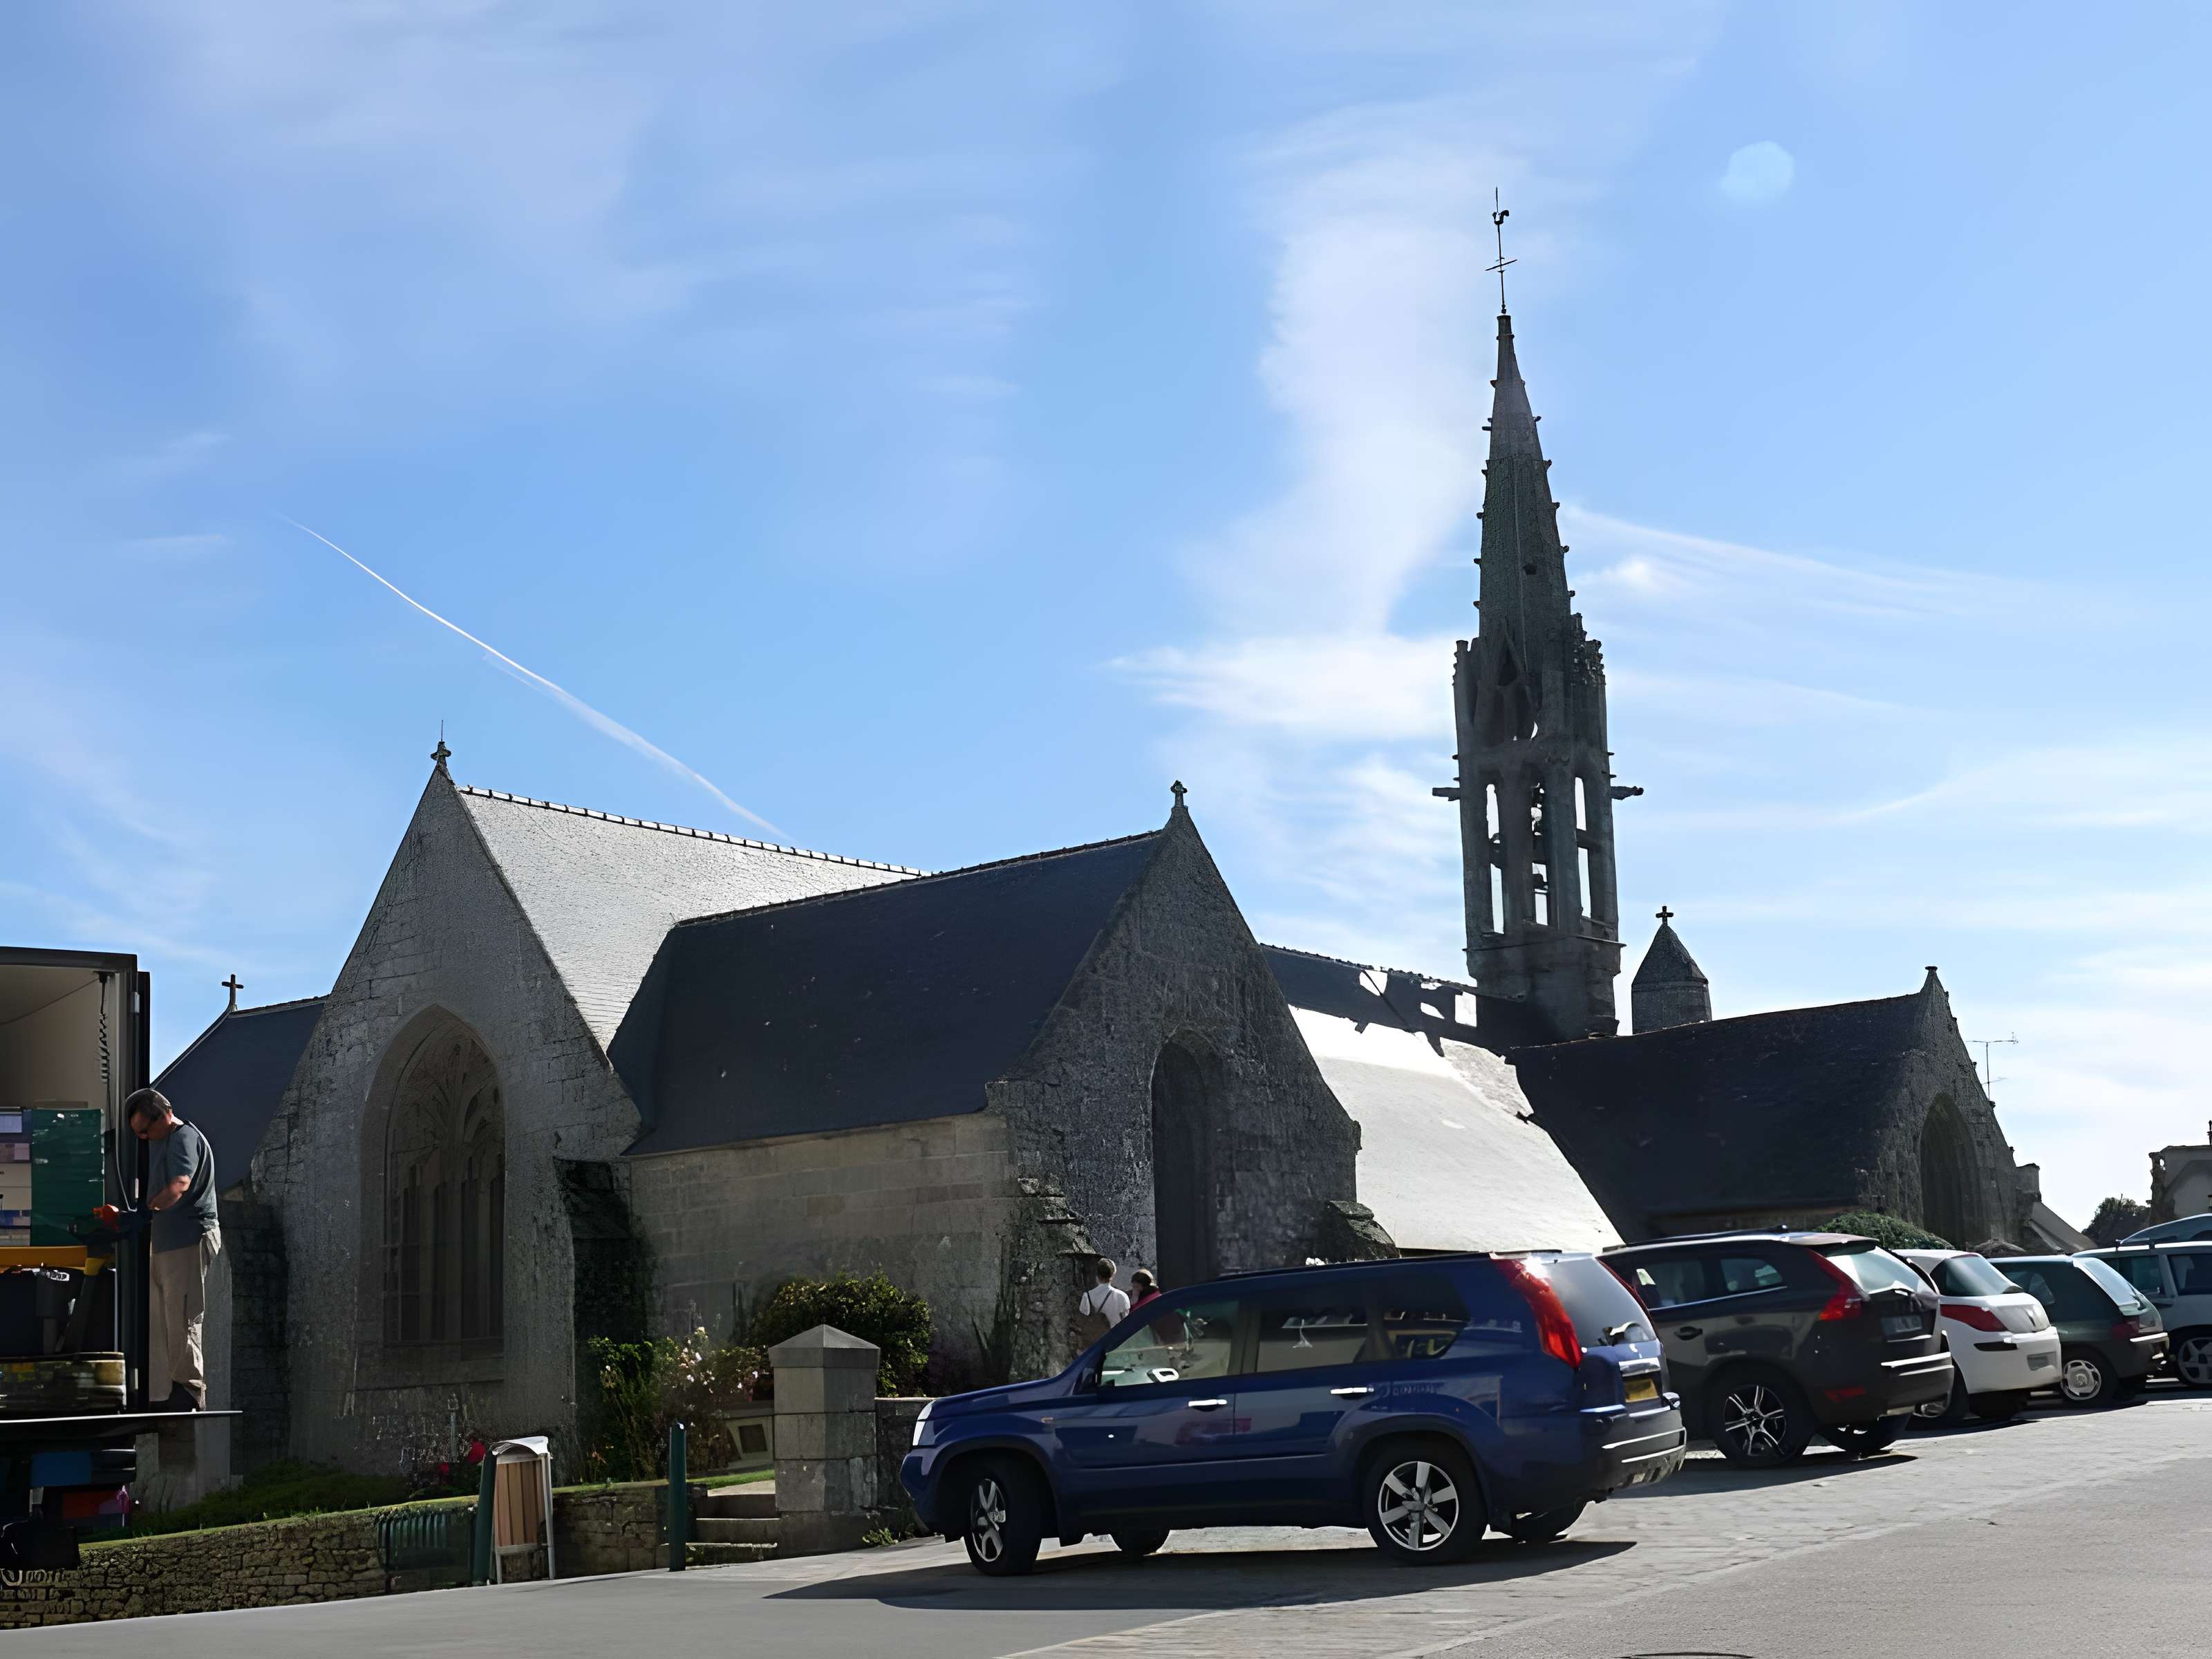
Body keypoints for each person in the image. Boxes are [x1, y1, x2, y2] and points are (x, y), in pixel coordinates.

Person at [102, 1089, 221, 1411]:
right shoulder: (162, 1141)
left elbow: (179, 1185)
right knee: (164, 1320)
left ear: (164, 1114)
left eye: (144, 1130)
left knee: (182, 1318)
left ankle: (189, 1395)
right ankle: (166, 1392)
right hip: (168, 1242)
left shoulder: (183, 1138)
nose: (142, 1138)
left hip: (187, 1239)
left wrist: (145, 1212)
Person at [1075, 1257, 1130, 1344]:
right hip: (1118, 1341)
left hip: (1097, 1342)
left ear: (1097, 1275)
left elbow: (1084, 1323)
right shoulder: (1123, 1296)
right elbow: (1126, 1323)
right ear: (1113, 1274)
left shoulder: (1087, 1296)